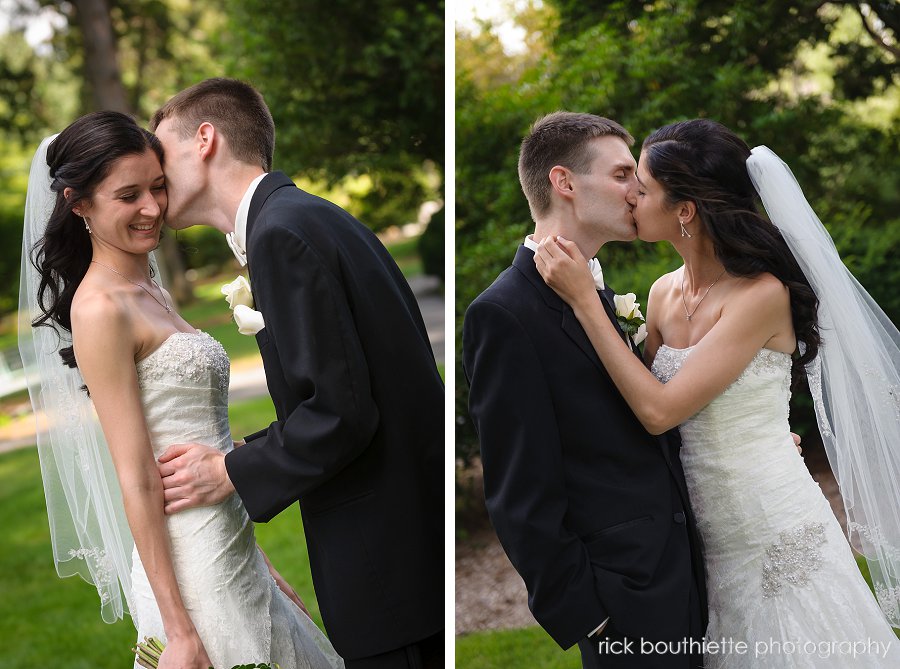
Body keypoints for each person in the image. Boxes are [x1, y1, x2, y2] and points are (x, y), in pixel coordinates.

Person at [534, 118, 900, 667]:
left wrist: (587, 302)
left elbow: (658, 410)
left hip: (771, 526)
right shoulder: (660, 294)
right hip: (697, 535)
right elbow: (634, 406)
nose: (631, 195)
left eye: (644, 186)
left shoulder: (761, 296)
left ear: (684, 210)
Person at [19, 111, 344, 668]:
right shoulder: (100, 308)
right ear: (79, 204)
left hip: (231, 546)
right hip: (190, 577)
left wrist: (259, 563)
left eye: (158, 187)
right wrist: (179, 631)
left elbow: (194, 439)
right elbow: (138, 475)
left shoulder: (149, 285)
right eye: (128, 195)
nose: (152, 209)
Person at [147, 78, 444, 669]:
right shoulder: (308, 217)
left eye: (161, 156)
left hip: (386, 565)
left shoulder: (281, 234)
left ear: (204, 140)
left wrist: (230, 470)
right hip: (412, 547)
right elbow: (353, 391)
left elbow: (341, 412)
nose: (154, 182)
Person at [463, 111, 707, 669]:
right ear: (564, 183)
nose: (638, 190)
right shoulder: (504, 314)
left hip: (683, 572)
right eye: (622, 175)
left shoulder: (601, 293)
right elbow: (519, 494)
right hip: (624, 604)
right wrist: (590, 616)